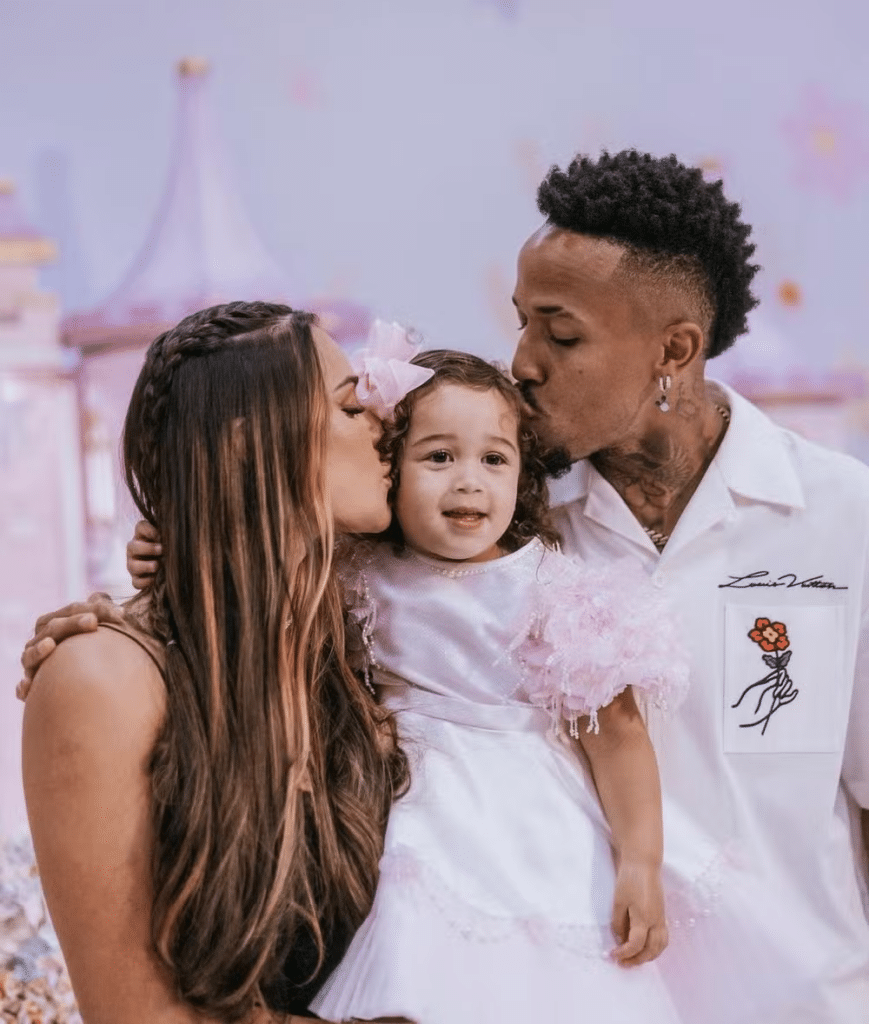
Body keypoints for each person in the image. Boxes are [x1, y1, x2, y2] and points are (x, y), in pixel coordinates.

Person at [119, 351, 808, 1024]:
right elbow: (257, 579)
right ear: (391, 467)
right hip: (406, 796)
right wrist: (166, 549)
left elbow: (616, 736)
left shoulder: (549, 589)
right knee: (436, 968)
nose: (468, 482)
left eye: (494, 460)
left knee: (558, 969)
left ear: (521, 473)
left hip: (529, 808)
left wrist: (640, 861)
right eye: (439, 457)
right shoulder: (357, 571)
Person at [510, 149, 869, 1021]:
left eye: (560, 335)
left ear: (674, 349)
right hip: (591, 1002)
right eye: (519, 324)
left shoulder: (842, 513)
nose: (520, 362)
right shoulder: (508, 527)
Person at [19, 301, 413, 1024]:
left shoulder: (375, 664)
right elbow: (138, 1016)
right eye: (351, 408)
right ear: (247, 447)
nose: (384, 426)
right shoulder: (105, 681)